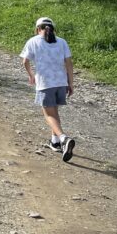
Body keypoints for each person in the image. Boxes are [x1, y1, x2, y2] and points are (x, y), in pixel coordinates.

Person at [20, 17, 76, 161]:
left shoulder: (33, 41)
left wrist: (31, 75)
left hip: (45, 83)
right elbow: (69, 63)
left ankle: (63, 138)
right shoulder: (62, 42)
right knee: (54, 111)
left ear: (38, 28)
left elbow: (25, 61)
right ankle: (55, 142)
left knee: (48, 114)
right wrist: (71, 83)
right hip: (61, 82)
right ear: (53, 29)